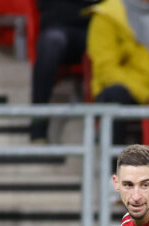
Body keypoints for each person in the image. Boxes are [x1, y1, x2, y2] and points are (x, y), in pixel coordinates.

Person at [85, 0, 149, 141]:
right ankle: (113, 161)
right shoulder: (106, 14)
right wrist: (148, 96)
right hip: (125, 91)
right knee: (116, 94)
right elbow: (107, 70)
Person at [29, 0, 99, 142]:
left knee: (108, 45)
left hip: (97, 28)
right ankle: (38, 123)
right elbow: (48, 6)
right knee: (51, 43)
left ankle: (103, 126)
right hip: (59, 27)